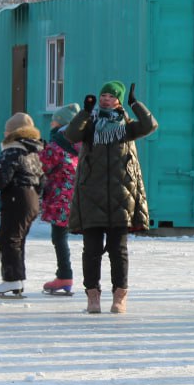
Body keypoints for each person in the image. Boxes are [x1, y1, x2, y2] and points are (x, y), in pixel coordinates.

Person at [65, 81, 157, 315]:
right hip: (91, 195)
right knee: (91, 250)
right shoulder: (91, 125)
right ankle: (92, 296)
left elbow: (150, 125)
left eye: (111, 96)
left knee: (119, 250)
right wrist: (85, 112)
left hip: (121, 196)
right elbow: (70, 134)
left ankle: (120, 296)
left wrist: (136, 104)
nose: (105, 99)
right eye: (103, 95)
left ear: (118, 100)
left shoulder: (126, 127)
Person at [0, 112, 44, 298]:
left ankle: (11, 279)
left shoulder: (12, 149)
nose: (4, 134)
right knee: (17, 240)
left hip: (17, 196)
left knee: (8, 239)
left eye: (6, 131)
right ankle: (17, 279)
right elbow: (42, 178)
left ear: (14, 132)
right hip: (32, 198)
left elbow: (1, 177)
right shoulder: (33, 150)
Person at [38, 103, 81, 295]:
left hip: (60, 199)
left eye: (54, 120)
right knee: (61, 237)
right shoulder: (78, 144)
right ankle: (65, 274)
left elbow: (41, 165)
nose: (51, 124)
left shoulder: (57, 144)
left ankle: (65, 275)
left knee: (59, 238)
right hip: (74, 198)